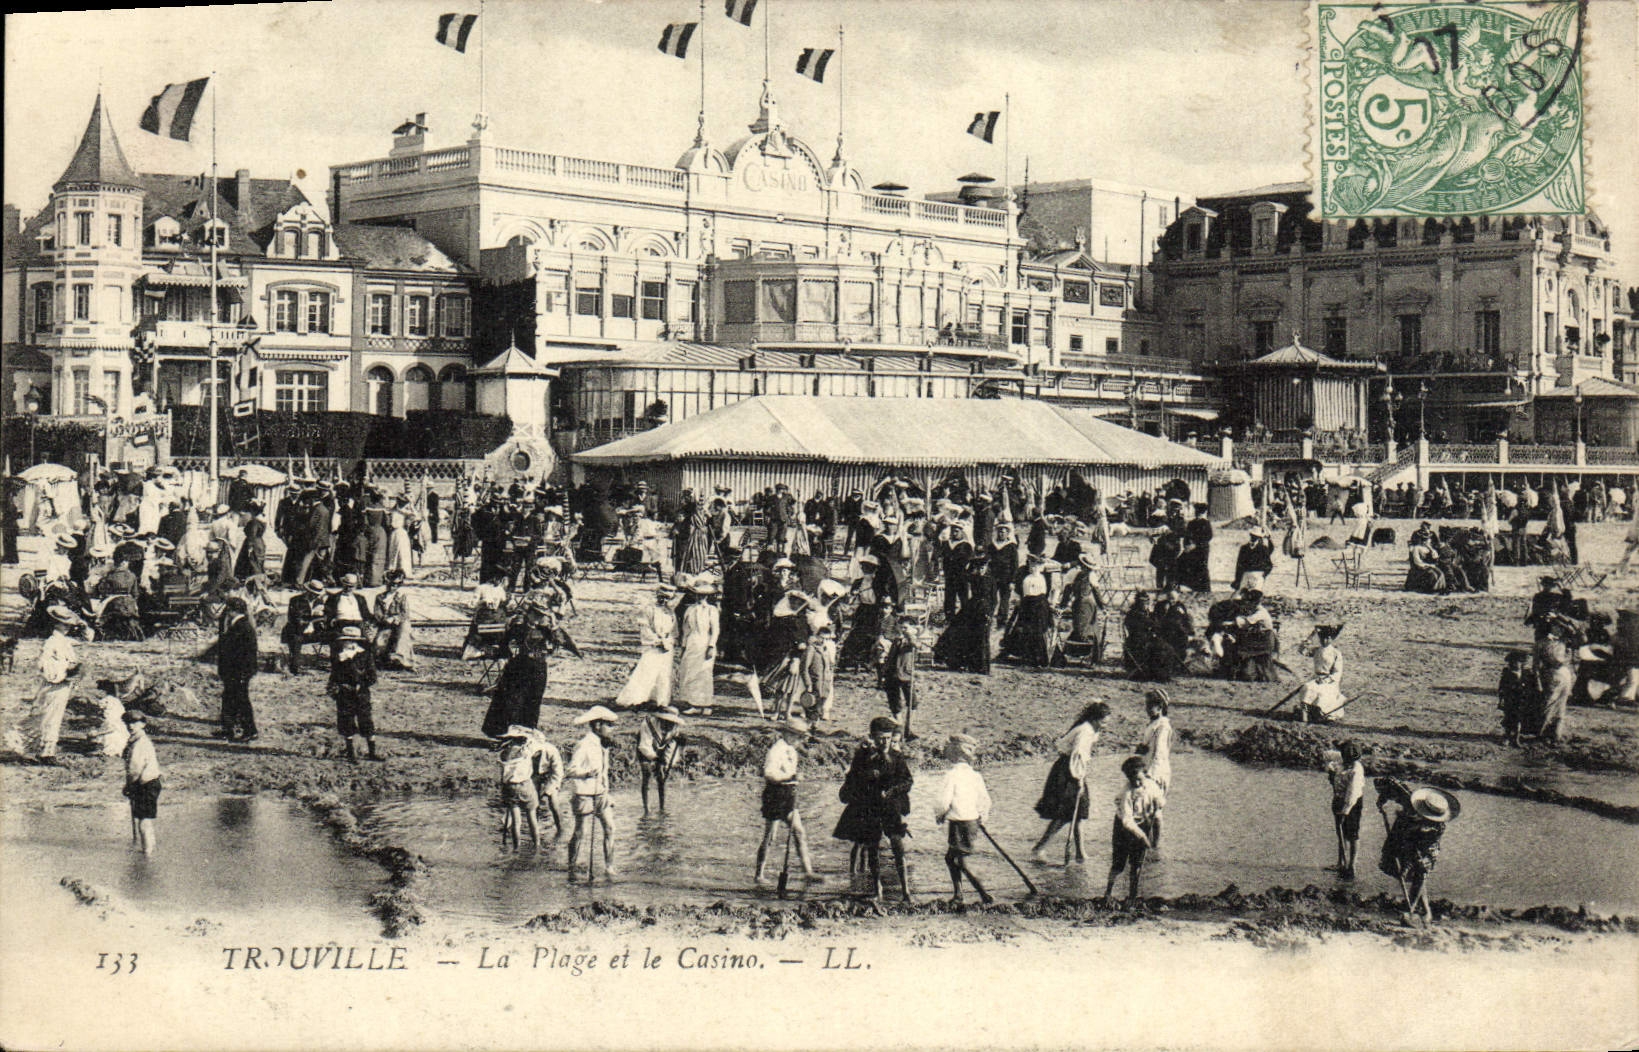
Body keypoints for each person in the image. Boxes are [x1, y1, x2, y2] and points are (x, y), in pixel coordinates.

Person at [834, 716, 915, 902]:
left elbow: (908, 781)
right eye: (880, 738)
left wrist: (893, 790)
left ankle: (906, 891)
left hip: (891, 808)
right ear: (872, 737)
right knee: (872, 847)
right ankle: (877, 889)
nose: (885, 742)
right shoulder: (862, 757)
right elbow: (852, 780)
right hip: (870, 807)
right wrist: (867, 775)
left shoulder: (896, 757)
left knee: (897, 845)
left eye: (888, 738)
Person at [1376, 778, 1459, 925]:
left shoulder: (1436, 829)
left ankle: (1413, 909)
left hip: (1423, 846)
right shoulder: (1409, 798)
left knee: (1420, 873)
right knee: (1405, 872)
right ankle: (1425, 911)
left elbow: (1421, 852)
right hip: (1403, 834)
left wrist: (1410, 863)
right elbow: (1390, 784)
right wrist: (1381, 802)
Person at [1032, 702, 1109, 862]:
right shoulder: (1085, 731)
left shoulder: (1090, 729)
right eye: (1103, 721)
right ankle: (1039, 847)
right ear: (1095, 719)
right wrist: (1079, 779)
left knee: (1079, 812)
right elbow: (1077, 755)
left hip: (1071, 769)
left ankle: (1080, 853)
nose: (1106, 725)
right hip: (1068, 771)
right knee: (1065, 813)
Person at [8, 605, 83, 763]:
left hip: (62, 685)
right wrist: (62, 673)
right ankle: (41, 750)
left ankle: (47, 751)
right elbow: (44, 665)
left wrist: (73, 671)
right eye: (64, 624)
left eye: (68, 624)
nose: (68, 627)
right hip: (53, 685)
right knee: (46, 717)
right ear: (56, 624)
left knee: (53, 717)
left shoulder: (64, 642)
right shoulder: (51, 642)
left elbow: (70, 660)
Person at [755, 717, 822, 885]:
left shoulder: (791, 750)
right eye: (797, 736)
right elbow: (769, 774)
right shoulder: (776, 750)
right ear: (787, 733)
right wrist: (789, 777)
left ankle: (808, 872)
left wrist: (792, 780)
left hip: (788, 794)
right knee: (771, 836)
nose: (800, 740)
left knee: (799, 831)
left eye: (801, 737)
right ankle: (759, 875)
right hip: (775, 794)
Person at [934, 733, 994, 906]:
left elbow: (943, 800)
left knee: (960, 860)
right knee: (952, 857)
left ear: (954, 754)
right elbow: (985, 800)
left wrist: (940, 814)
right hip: (971, 822)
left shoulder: (951, 775)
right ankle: (959, 894)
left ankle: (984, 893)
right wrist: (982, 817)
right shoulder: (975, 776)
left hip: (958, 823)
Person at [566, 706, 621, 879]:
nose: (612, 729)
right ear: (598, 725)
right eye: (609, 725)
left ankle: (609, 867)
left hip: (601, 793)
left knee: (610, 827)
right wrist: (586, 774)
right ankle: (571, 865)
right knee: (580, 831)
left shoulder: (603, 744)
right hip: (584, 794)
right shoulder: (584, 744)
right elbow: (571, 770)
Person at [1104, 755, 1163, 904]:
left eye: (1139, 779)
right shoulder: (1126, 793)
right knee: (1119, 863)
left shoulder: (1152, 786)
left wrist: (1155, 840)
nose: (1136, 783)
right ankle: (1108, 892)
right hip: (1123, 828)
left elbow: (1159, 804)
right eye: (1132, 779)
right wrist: (1143, 837)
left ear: (1145, 772)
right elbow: (1127, 821)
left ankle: (1132, 896)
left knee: (1137, 864)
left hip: (1143, 822)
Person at [614, 583, 678, 708]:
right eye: (662, 597)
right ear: (657, 595)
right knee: (646, 670)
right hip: (653, 645)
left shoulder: (670, 612)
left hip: (666, 646)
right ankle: (635, 699)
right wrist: (657, 641)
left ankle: (660, 700)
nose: (664, 600)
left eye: (667, 598)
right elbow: (645, 628)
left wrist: (667, 641)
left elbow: (674, 631)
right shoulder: (649, 609)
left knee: (664, 673)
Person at [329, 624, 382, 762]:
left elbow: (372, 676)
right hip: (345, 693)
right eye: (346, 640)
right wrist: (335, 688)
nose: (348, 643)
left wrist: (362, 684)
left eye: (352, 640)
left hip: (361, 694)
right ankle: (351, 753)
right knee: (347, 722)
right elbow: (334, 675)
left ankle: (372, 752)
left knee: (366, 721)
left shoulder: (364, 655)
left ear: (357, 641)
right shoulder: (338, 657)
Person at [673, 574, 720, 715]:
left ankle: (705, 704)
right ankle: (693, 703)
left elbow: (715, 630)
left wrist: (711, 646)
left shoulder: (712, 610)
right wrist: (683, 646)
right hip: (692, 642)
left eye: (704, 595)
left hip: (705, 642)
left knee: (704, 673)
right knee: (690, 672)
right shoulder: (690, 609)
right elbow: (686, 630)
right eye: (698, 595)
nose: (701, 598)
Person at [497, 725, 548, 849]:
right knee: (532, 818)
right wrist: (529, 730)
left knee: (516, 822)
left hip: (509, 787)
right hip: (525, 785)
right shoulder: (526, 751)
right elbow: (541, 738)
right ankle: (537, 845)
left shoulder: (503, 753)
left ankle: (516, 847)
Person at [217, 597, 259, 743]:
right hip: (234, 671)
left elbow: (245, 654)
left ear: (232, 610)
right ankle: (228, 729)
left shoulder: (242, 627)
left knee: (241, 701)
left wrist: (243, 673)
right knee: (229, 699)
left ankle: (250, 730)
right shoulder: (238, 625)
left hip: (239, 671)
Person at [121, 709, 162, 855]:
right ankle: (149, 849)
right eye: (128, 723)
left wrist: (129, 786)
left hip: (146, 784)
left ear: (143, 724)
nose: (131, 726)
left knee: (144, 820)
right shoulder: (135, 740)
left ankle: (147, 854)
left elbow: (135, 769)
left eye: (134, 723)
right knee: (144, 819)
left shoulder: (140, 743)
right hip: (146, 783)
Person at [1137, 689, 1174, 847]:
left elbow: (1159, 753)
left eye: (1150, 705)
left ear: (1160, 707)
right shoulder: (1154, 724)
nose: (1147, 709)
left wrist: (1149, 775)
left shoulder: (1163, 726)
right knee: (1148, 808)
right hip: (1150, 768)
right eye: (1146, 705)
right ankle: (1150, 842)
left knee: (1155, 810)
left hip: (1156, 771)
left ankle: (1155, 846)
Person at [1326, 740, 1365, 878]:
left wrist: (1345, 811)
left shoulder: (1356, 771)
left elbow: (1352, 794)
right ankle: (1341, 862)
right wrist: (1331, 773)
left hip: (1352, 804)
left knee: (1352, 834)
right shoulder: (1341, 764)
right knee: (1341, 832)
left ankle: (1352, 865)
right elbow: (1329, 759)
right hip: (1338, 798)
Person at [876, 616, 920, 740]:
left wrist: (911, 635)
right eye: (901, 627)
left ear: (912, 628)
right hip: (892, 675)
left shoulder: (913, 640)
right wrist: (884, 673)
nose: (903, 630)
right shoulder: (896, 640)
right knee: (895, 703)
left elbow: (916, 645)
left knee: (912, 702)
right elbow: (890, 657)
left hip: (906, 675)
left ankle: (909, 728)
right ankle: (899, 728)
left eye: (906, 627)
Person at [1534, 618, 1575, 744]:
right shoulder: (1542, 643)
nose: (1560, 630)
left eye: (1561, 628)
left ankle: (1556, 734)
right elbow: (1535, 665)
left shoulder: (1564, 642)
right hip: (1551, 674)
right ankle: (1541, 734)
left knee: (1561, 705)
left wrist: (1563, 619)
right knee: (1549, 704)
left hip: (1565, 674)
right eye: (1556, 627)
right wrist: (1538, 681)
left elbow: (1577, 633)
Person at [636, 706, 685, 814]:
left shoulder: (675, 728)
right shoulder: (648, 724)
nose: (669, 726)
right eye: (667, 722)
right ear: (661, 719)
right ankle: (647, 810)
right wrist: (655, 758)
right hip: (645, 747)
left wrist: (665, 764)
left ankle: (662, 809)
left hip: (663, 747)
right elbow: (644, 746)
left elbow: (672, 749)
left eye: (672, 723)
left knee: (662, 777)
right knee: (647, 773)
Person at [1298, 624, 1345, 723]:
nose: (1325, 640)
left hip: (1329, 682)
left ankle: (1318, 714)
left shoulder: (1336, 653)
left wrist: (1325, 679)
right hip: (1316, 678)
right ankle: (1305, 715)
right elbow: (1302, 650)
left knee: (1318, 693)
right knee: (1306, 688)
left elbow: (1337, 672)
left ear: (1331, 639)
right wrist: (1311, 636)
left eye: (1328, 638)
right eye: (1322, 638)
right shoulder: (1316, 650)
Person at [374, 569, 416, 671]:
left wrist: (397, 618)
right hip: (385, 623)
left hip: (399, 623)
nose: (394, 587)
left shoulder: (401, 597)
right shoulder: (380, 597)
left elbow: (405, 613)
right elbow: (377, 613)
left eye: (397, 585)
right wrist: (386, 619)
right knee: (381, 641)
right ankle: (384, 660)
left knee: (403, 634)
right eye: (392, 584)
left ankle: (403, 661)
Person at [283, 579, 327, 675]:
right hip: (298, 631)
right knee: (296, 639)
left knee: (333, 636)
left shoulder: (319, 601)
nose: (315, 596)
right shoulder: (295, 601)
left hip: (315, 631)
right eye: (313, 593)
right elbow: (296, 620)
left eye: (317, 594)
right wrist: (315, 617)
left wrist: (322, 618)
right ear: (307, 591)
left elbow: (324, 617)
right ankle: (295, 667)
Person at [1497, 650, 1535, 747]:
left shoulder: (1526, 673)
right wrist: (1501, 700)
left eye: (1518, 662)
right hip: (1510, 700)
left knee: (1519, 720)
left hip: (1521, 700)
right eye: (1513, 662)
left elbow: (1530, 686)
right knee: (1509, 719)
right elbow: (1502, 688)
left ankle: (1516, 738)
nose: (1515, 664)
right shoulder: (1507, 673)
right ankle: (1507, 736)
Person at [1233, 527, 1275, 591]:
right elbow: (1239, 565)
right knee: (1239, 597)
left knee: (1255, 594)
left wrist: (1263, 576)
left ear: (1259, 538)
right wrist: (1237, 579)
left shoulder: (1263, 549)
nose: (1253, 537)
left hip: (1258, 576)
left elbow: (1269, 565)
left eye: (1256, 536)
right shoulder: (1244, 548)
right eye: (1252, 536)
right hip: (1245, 575)